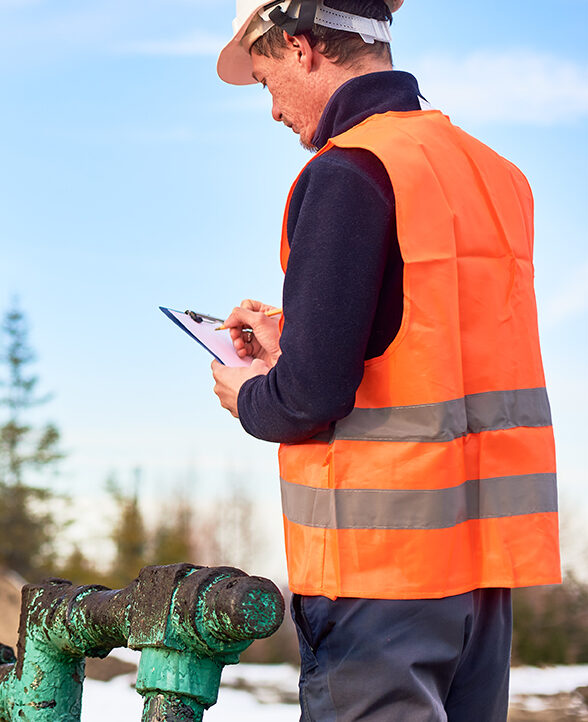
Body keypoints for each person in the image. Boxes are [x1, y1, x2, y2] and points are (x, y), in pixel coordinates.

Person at [207, 1, 559, 719]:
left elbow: (309, 396)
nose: (272, 111)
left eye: (268, 80)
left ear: (303, 47)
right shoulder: (496, 176)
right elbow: (430, 342)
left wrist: (249, 392)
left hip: (380, 581)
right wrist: (295, 335)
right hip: (481, 585)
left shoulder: (348, 170)